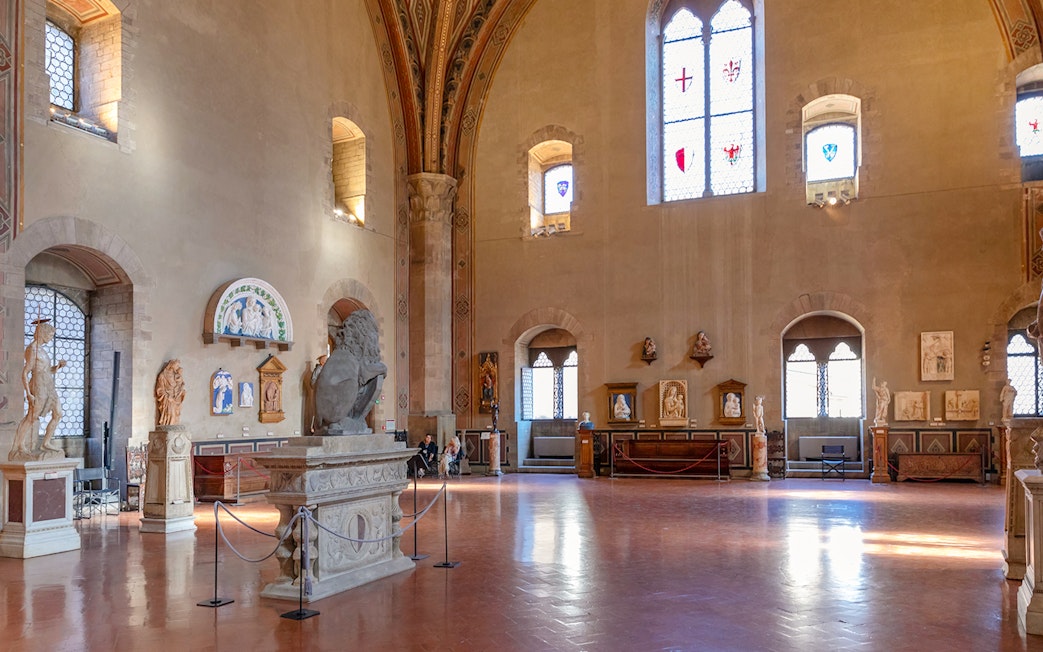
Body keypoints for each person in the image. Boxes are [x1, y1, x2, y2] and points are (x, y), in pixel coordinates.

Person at [11, 320, 66, 458]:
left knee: (58, 413)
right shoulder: (32, 350)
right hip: (38, 385)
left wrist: (58, 367)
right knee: (32, 417)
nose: (51, 338)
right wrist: (28, 394)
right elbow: (25, 372)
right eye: (50, 335)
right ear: (43, 333)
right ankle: (19, 445)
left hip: (49, 385)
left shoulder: (42, 350)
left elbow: (47, 370)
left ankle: (46, 443)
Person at [155, 359, 186, 427]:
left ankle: (172, 429)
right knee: (170, 414)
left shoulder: (177, 376)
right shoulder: (163, 375)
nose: (178, 367)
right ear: (172, 365)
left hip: (176, 398)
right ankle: (167, 427)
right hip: (168, 399)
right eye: (177, 365)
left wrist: (181, 391)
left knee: (175, 415)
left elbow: (180, 385)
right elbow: (160, 389)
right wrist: (167, 396)